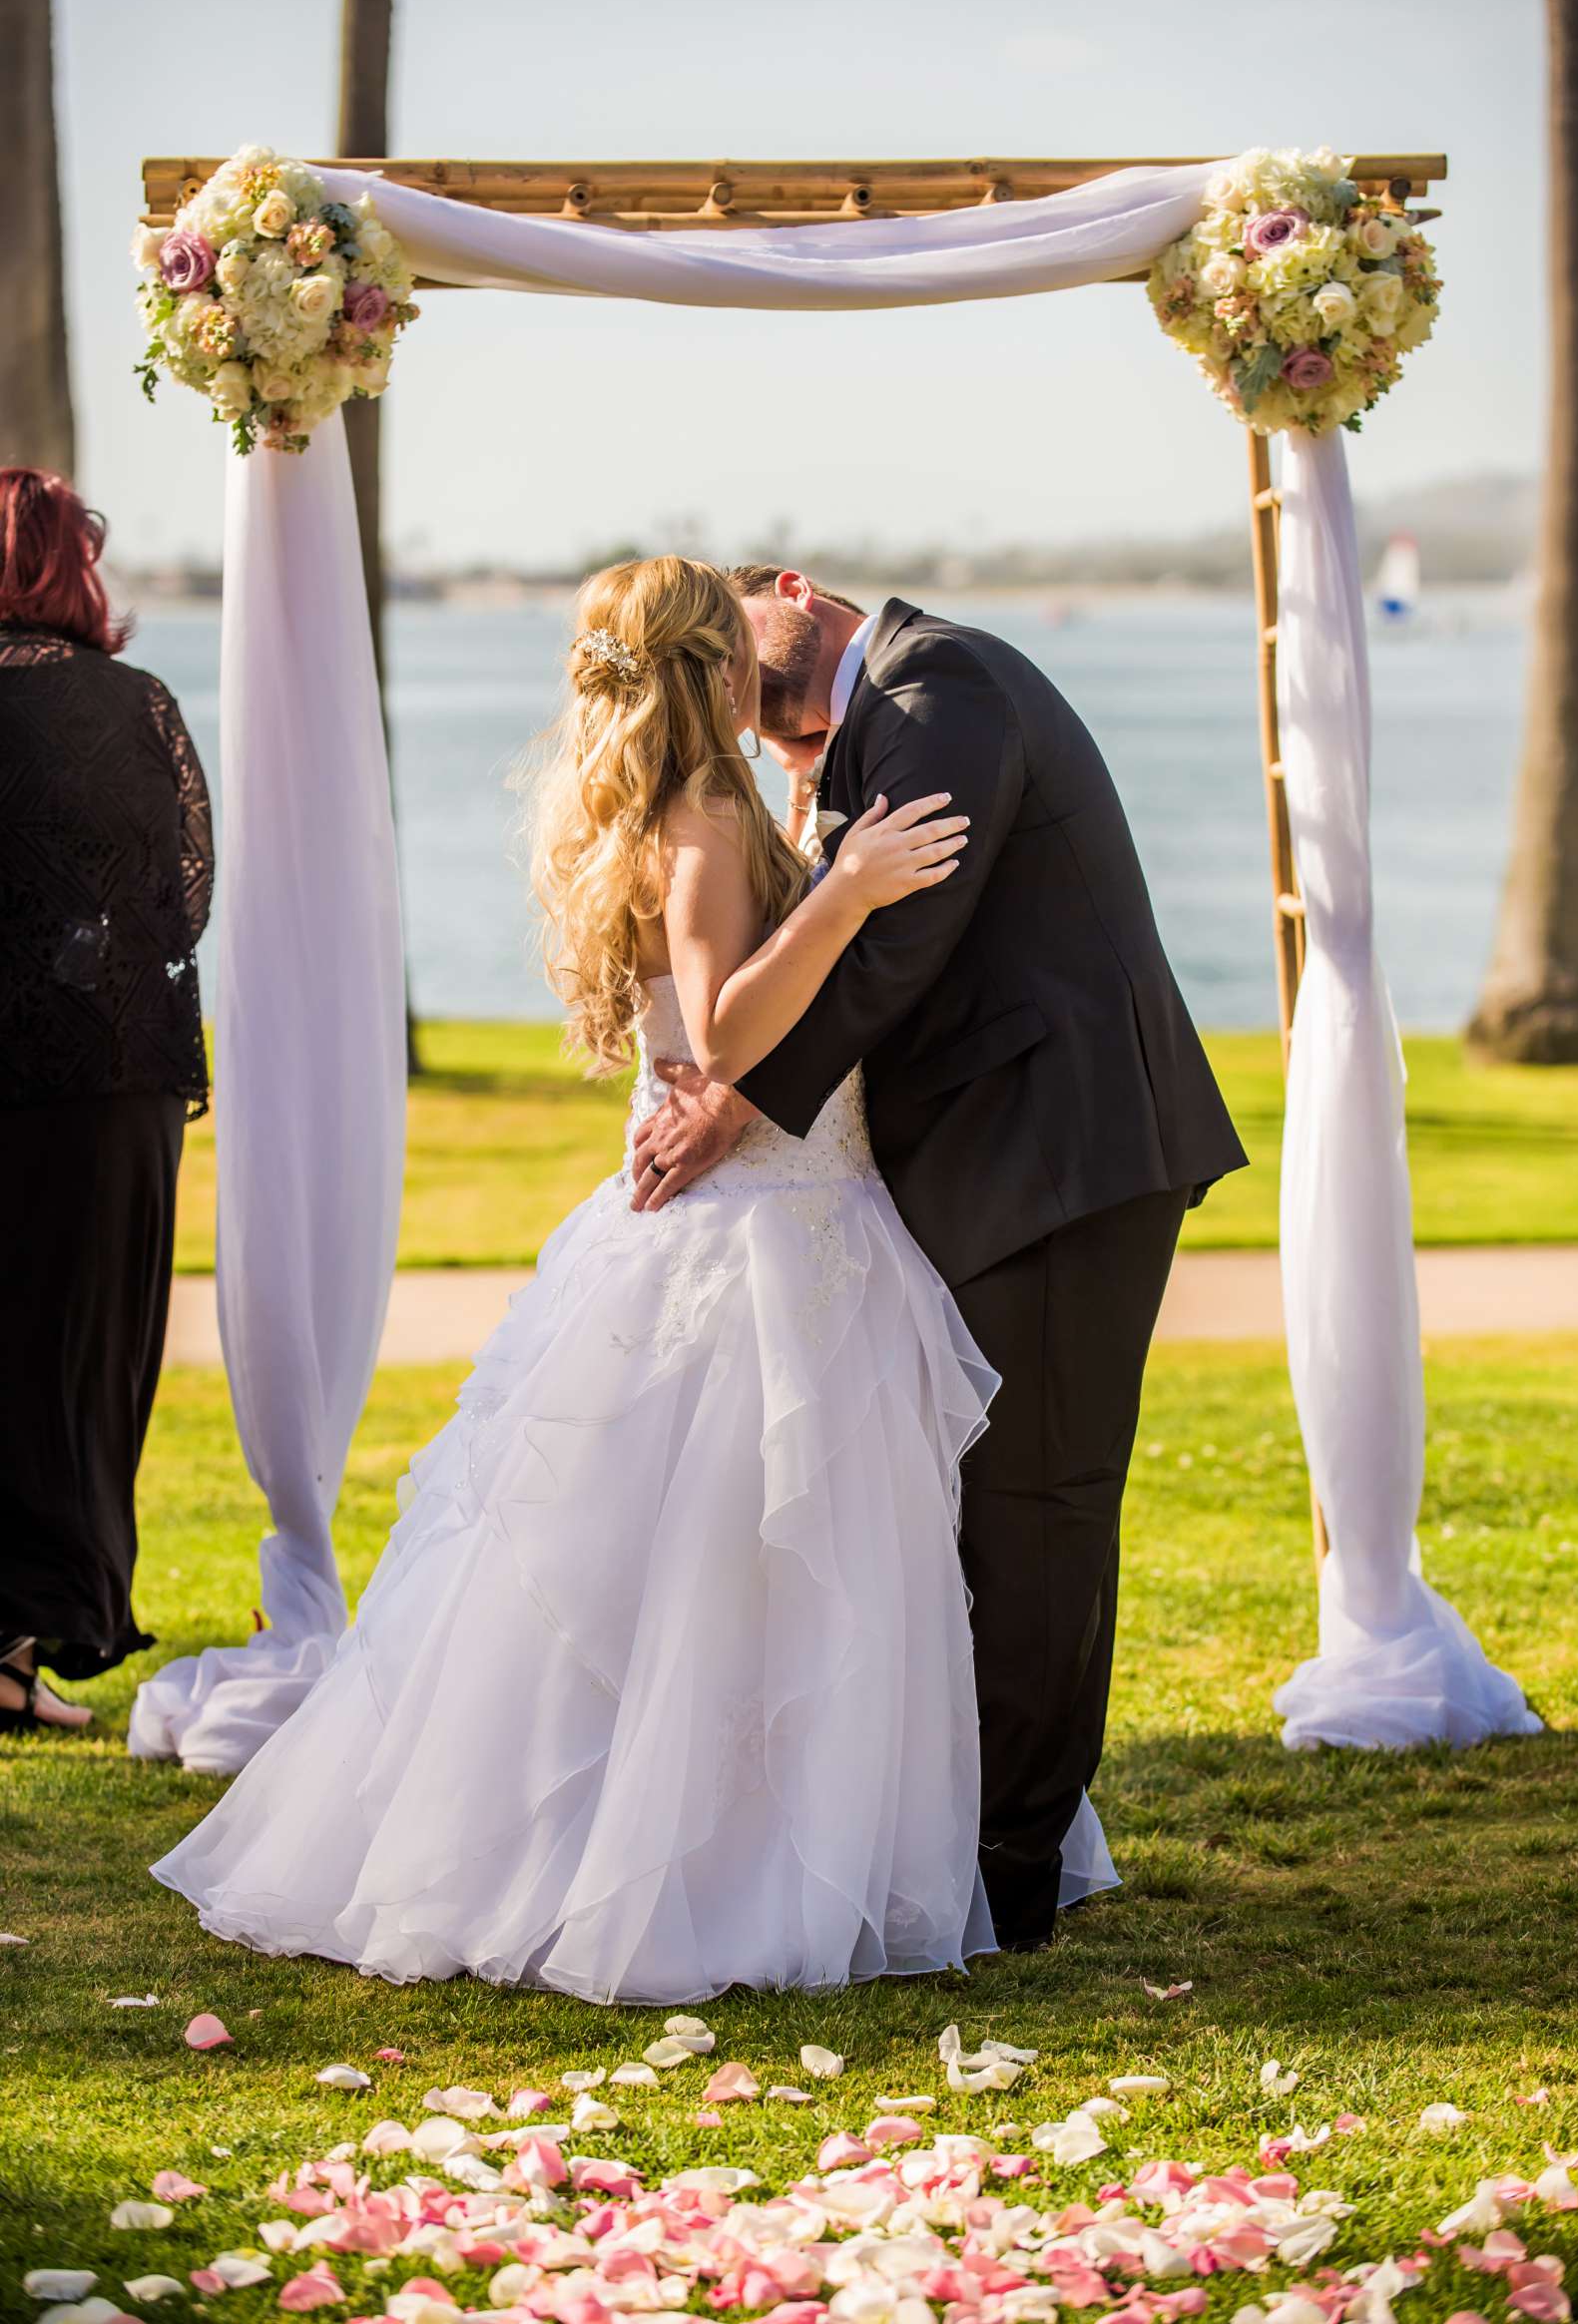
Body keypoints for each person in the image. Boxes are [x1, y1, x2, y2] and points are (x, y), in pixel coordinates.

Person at [154, 555, 1094, 2002]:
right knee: (765, 1562)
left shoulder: (638, 805)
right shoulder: (708, 810)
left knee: (715, 1567)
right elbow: (718, 1039)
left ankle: (734, 1837)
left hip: (760, 1213)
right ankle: (735, 1865)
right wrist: (841, 889)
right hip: (771, 1230)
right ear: (711, 667)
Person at [631, 570, 1248, 1953]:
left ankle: (1009, 1871)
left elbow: (895, 953)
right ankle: (959, 1829)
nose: (741, 694)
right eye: (733, 697)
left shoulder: (937, 691)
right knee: (976, 1517)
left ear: (795, 590)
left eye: (749, 655)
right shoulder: (871, 723)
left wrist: (725, 1101)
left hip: (1058, 1165)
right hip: (986, 1167)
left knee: (1034, 1514)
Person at [0, 467, 214, 1733]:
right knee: (77, 1361)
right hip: (106, 1082)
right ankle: (19, 1648)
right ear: (73, 566)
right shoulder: (138, 706)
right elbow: (182, 897)